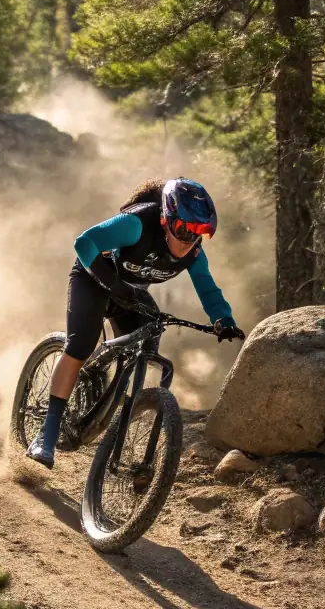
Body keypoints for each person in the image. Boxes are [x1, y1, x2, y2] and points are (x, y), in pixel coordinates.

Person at [27, 176, 244, 469]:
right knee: (80, 346)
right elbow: (85, 242)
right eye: (182, 229)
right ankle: (47, 434)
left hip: (130, 294)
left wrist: (223, 319)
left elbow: (207, 288)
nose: (187, 240)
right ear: (166, 220)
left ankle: (108, 418)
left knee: (148, 341)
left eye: (197, 234)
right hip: (93, 279)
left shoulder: (192, 253)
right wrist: (112, 283)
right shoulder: (138, 223)